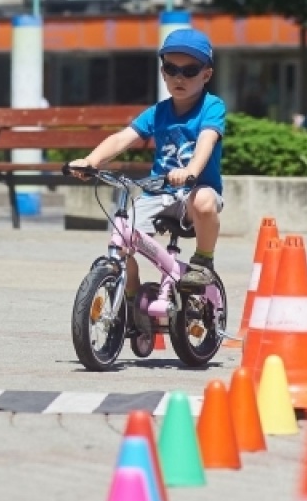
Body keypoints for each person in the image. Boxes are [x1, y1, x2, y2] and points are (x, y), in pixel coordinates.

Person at [69, 28, 226, 302]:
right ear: (163, 72)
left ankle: (203, 261)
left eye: (190, 71)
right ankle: (129, 290)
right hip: (158, 193)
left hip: (193, 190)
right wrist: (90, 161)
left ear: (206, 74)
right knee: (122, 234)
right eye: (171, 68)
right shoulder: (158, 112)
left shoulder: (211, 106)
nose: (179, 77)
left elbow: (206, 140)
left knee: (203, 201)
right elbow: (122, 139)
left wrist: (190, 172)